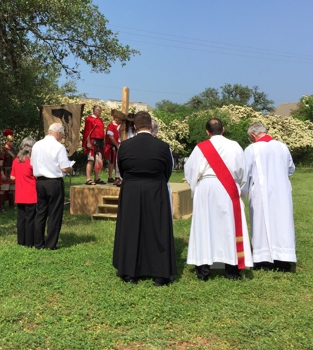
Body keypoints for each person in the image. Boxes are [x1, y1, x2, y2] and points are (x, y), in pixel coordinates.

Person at [113, 111, 177, 286]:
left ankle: (129, 272)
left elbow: (122, 169)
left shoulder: (124, 147)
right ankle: (160, 273)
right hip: (156, 189)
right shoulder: (163, 147)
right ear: (150, 126)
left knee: (131, 229)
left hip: (131, 189)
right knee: (157, 229)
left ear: (135, 126)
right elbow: (167, 171)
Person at [184, 118, 253, 280]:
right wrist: (241, 188)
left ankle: (203, 270)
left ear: (207, 132)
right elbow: (243, 170)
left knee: (205, 226)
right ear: (223, 129)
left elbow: (191, 170)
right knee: (230, 226)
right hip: (228, 188)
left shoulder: (200, 147)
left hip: (206, 187)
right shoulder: (235, 146)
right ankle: (232, 270)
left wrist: (195, 187)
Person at [242, 122, 296, 272]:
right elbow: (291, 168)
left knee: (261, 224)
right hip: (282, 191)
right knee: (282, 224)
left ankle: (263, 260)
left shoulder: (252, 149)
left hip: (261, 191)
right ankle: (284, 259)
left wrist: (243, 192)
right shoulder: (282, 146)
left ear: (253, 135)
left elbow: (244, 174)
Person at [31, 123, 74, 250]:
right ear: (58, 133)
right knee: (55, 213)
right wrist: (71, 168)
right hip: (54, 181)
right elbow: (64, 168)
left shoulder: (37, 145)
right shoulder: (58, 147)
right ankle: (51, 244)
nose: (61, 137)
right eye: (62, 134)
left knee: (40, 212)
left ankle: (38, 243)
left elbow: (33, 163)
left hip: (40, 181)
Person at [10, 137, 37, 247]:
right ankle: (29, 242)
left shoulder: (16, 160)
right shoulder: (32, 161)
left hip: (20, 194)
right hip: (31, 194)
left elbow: (12, 177)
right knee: (30, 219)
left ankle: (21, 241)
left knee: (21, 218)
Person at [0, 129, 16, 212]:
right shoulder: (2, 150)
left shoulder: (13, 150)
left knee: (11, 189)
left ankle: (11, 205)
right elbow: (0, 164)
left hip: (12, 172)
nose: (11, 143)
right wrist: (2, 174)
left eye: (12, 141)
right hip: (5, 172)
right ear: (6, 141)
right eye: (10, 141)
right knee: (3, 189)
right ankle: (1, 207)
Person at [82, 105, 105, 185]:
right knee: (91, 159)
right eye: (98, 110)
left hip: (100, 141)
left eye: (100, 111)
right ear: (94, 111)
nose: (100, 112)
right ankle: (88, 179)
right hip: (92, 140)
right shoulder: (89, 119)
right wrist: (88, 142)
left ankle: (96, 178)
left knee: (98, 160)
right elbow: (88, 131)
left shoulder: (100, 120)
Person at [104, 116, 120, 183]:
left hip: (117, 145)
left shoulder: (119, 126)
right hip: (112, 146)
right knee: (112, 161)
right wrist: (116, 145)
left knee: (117, 161)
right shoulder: (111, 125)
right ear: (115, 118)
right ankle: (110, 177)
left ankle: (117, 177)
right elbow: (111, 136)